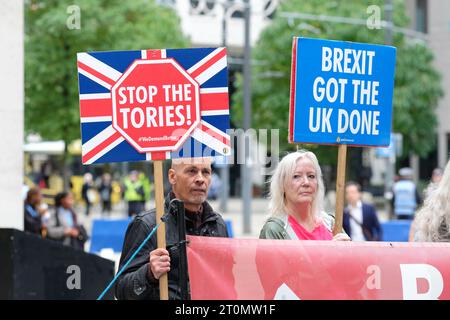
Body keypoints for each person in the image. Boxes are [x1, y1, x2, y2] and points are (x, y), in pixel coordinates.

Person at [115, 157, 229, 300]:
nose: (200, 179)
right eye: (192, 171)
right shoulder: (147, 224)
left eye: (206, 172)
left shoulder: (218, 224)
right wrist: (149, 273)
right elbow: (120, 290)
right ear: (172, 176)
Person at [259, 150, 350, 241]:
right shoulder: (274, 230)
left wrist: (348, 249)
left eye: (311, 176)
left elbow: (350, 254)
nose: (306, 182)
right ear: (282, 184)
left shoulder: (331, 224)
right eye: (296, 176)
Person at [410, 159, 450, 242]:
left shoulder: (434, 200)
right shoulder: (432, 196)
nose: (437, 177)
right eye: (435, 175)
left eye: (438, 175)